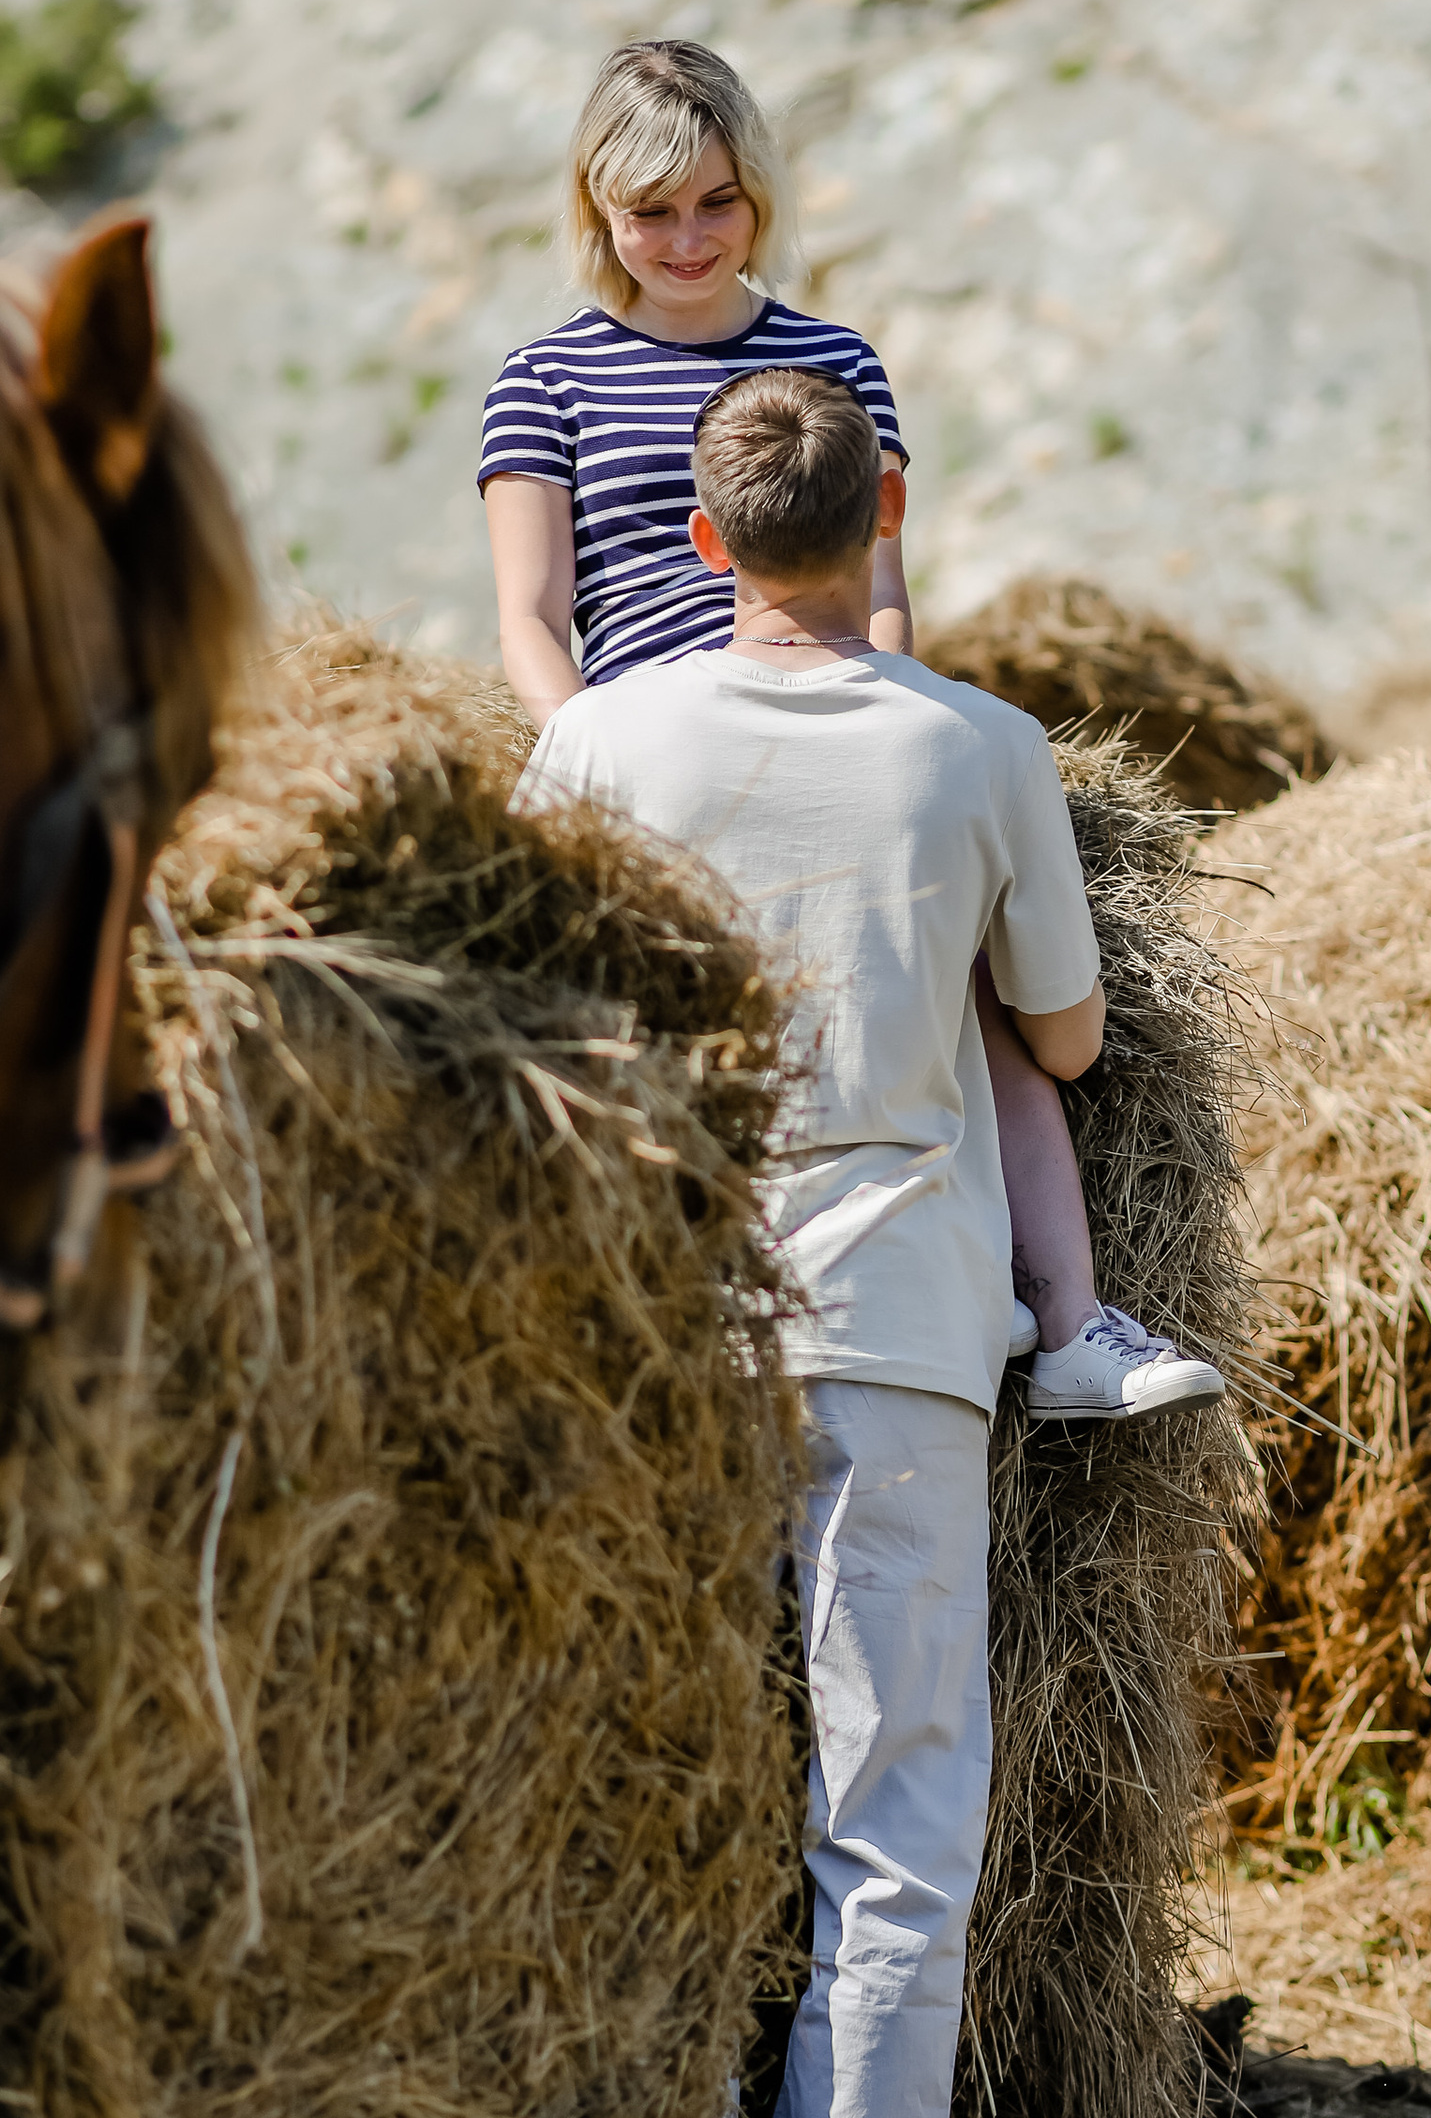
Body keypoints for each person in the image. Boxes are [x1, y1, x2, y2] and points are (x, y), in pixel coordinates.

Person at [511, 368, 1224, 2116]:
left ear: (701, 543)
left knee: (618, 1805)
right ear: (883, 522)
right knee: (895, 1834)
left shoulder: (603, 739)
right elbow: (1065, 1040)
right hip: (895, 1328)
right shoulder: (983, 747)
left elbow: (517, 1003)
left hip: (656, 1334)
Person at [478, 37, 1192, 1415]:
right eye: (650, 209)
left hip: (841, 727)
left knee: (978, 981)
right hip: (649, 767)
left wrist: (869, 734)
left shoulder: (831, 357)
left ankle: (1074, 1322)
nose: (687, 238)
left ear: (759, 194)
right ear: (595, 209)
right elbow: (529, 616)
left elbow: (886, 594)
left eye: (717, 202)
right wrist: (598, 761)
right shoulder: (544, 380)